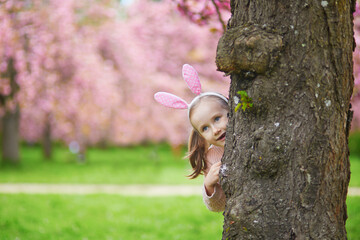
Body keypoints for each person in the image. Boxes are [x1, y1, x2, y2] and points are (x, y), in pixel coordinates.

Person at [154, 64, 228, 212]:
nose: (215, 130)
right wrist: (209, 185)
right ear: (200, 135)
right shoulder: (212, 157)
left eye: (217, 118)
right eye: (205, 128)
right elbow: (218, 207)